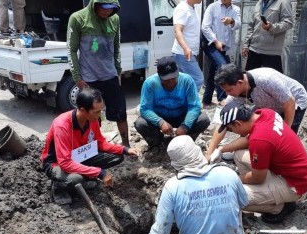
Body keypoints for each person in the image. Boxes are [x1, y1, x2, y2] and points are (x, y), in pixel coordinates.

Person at [122, 135, 248, 234]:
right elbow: (243, 202)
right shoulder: (228, 173)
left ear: (175, 163)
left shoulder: (172, 187)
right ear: (198, 151)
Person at [213, 102, 307, 223]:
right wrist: (221, 149)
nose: (234, 132)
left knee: (234, 196)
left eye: (231, 129)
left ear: (238, 123)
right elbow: (248, 139)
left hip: (295, 184)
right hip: (296, 171)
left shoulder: (259, 139)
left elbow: (258, 178)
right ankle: (263, 193)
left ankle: (279, 207)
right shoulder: (265, 113)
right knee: (239, 155)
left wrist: (232, 179)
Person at [40, 88, 139, 200]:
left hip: (80, 156)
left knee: (117, 156)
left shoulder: (93, 119)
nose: (100, 115)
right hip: (56, 163)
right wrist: (99, 173)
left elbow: (100, 143)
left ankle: (85, 176)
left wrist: (125, 150)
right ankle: (58, 187)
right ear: (82, 110)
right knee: (76, 179)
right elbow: (65, 163)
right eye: (96, 112)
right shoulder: (62, 125)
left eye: (101, 110)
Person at [205, 64, 307, 160]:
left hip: (294, 102)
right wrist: (209, 152)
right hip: (268, 105)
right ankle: (243, 151)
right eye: (225, 91)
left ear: (240, 83)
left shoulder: (267, 80)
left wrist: (284, 131)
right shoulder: (234, 94)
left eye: (229, 90)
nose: (227, 94)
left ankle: (284, 161)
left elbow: (290, 103)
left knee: (282, 139)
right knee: (251, 125)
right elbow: (222, 122)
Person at [67, 0, 130, 147]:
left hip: (110, 76)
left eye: (112, 9)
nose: (107, 12)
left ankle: (126, 144)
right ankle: (93, 146)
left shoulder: (115, 19)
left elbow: (116, 48)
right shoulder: (78, 18)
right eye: (105, 8)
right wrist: (77, 77)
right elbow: (71, 49)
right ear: (95, 3)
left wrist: (118, 72)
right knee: (92, 116)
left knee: (120, 112)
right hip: (89, 79)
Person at [134, 56, 210, 148]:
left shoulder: (187, 80)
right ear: (158, 73)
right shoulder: (150, 83)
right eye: (166, 79)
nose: (171, 82)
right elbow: (145, 109)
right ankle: (159, 143)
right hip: (159, 116)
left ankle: (186, 141)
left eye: (173, 77)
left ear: (177, 70)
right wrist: (160, 122)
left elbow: (194, 106)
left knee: (203, 119)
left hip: (182, 116)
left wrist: (185, 126)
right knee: (140, 123)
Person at [201, 0, 241, 108]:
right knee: (222, 66)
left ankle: (206, 99)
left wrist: (231, 21)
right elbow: (205, 27)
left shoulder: (236, 9)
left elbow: (238, 25)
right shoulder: (212, 7)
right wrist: (215, 41)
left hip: (224, 46)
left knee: (214, 70)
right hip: (210, 43)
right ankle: (222, 98)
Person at [242, 0, 293, 73]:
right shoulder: (259, 3)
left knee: (273, 83)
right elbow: (251, 26)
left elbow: (288, 23)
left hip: (271, 52)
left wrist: (271, 27)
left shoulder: (283, 2)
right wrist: (246, 45)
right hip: (254, 50)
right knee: (250, 81)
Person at [172, 0, 204, 91]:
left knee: (182, 82)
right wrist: (185, 48)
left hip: (188, 53)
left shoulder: (192, 8)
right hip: (183, 53)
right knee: (198, 79)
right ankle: (190, 103)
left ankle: (181, 103)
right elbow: (177, 30)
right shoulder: (183, 9)